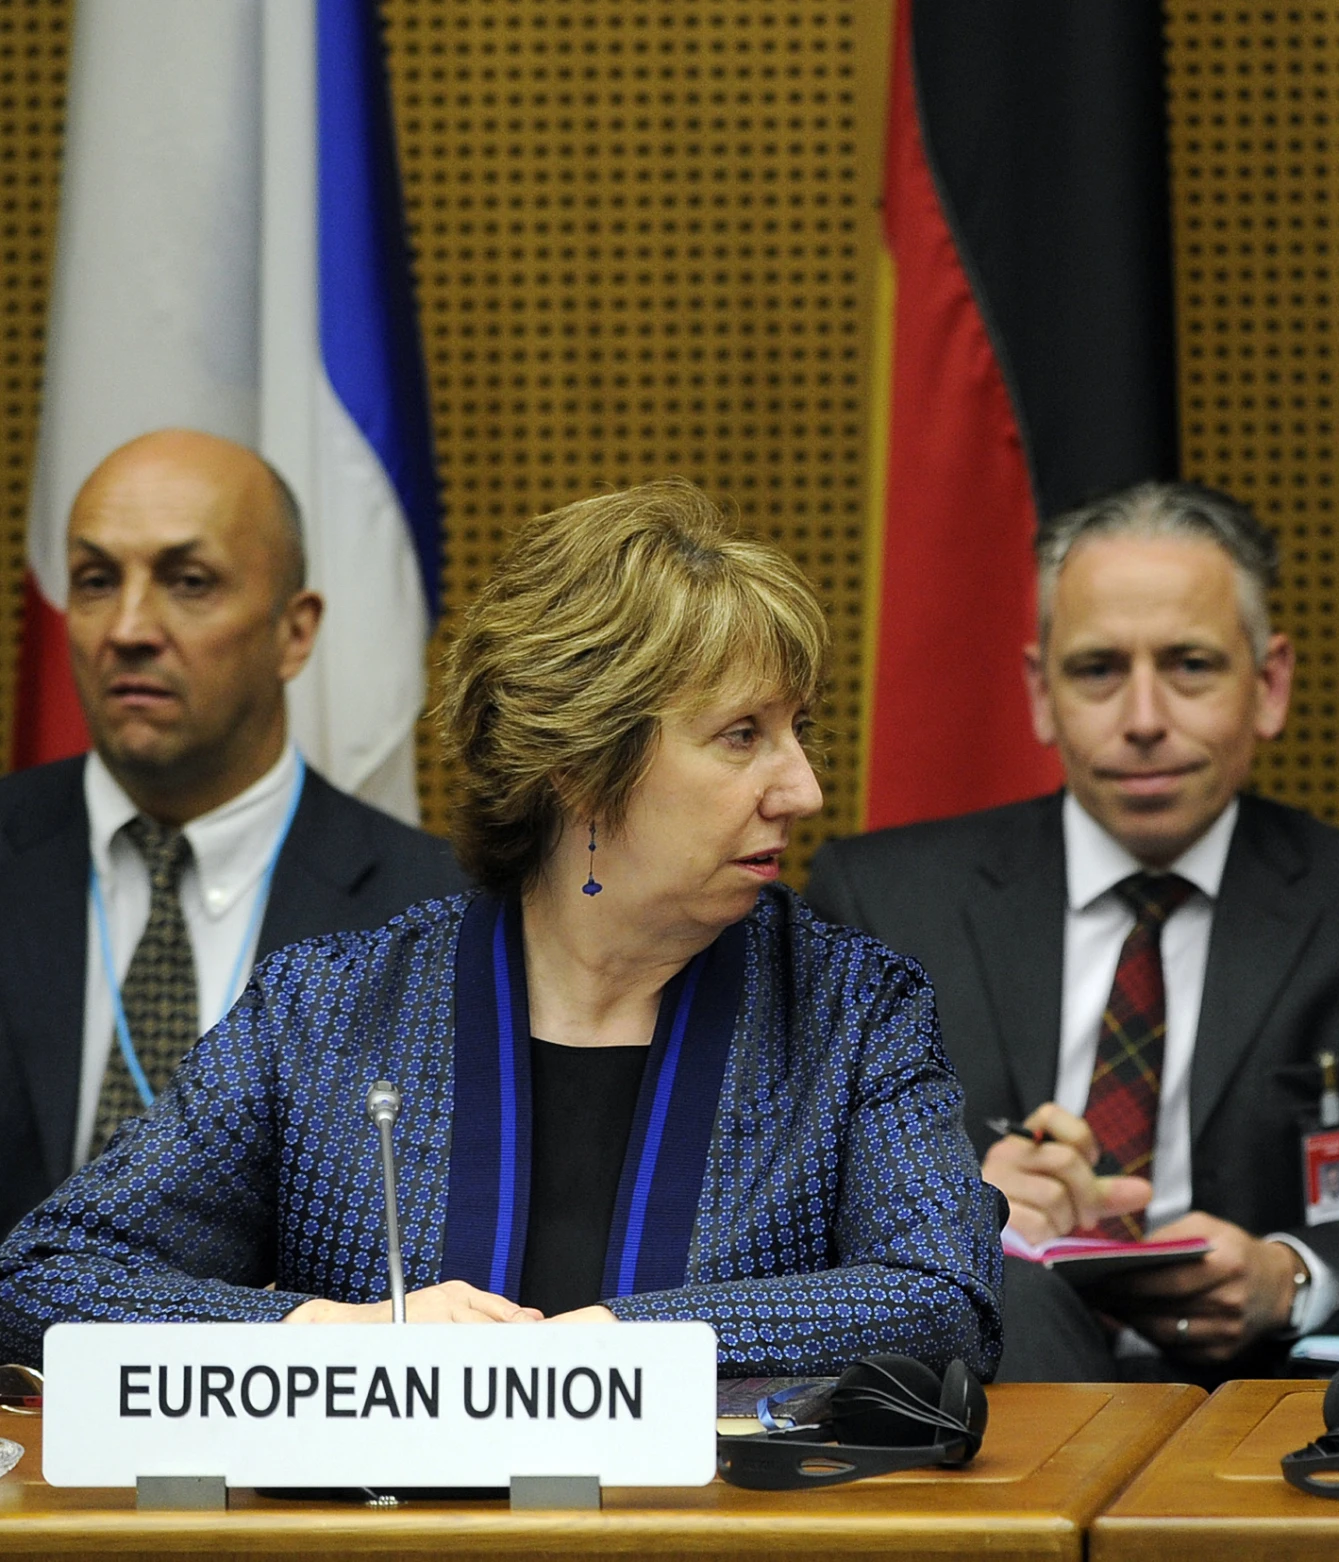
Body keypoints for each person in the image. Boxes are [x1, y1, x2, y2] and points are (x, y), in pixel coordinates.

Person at [0, 479, 1003, 1378]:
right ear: (576, 764)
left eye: (800, 730)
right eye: (743, 735)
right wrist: (333, 1333)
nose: (803, 788)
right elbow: (47, 1275)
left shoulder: (852, 1005)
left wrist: (607, 1350)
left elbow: (943, 1298)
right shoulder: (328, 1010)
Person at [806, 480, 1339, 1382]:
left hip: (1251, 1423)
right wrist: (953, 1209)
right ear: (1040, 693)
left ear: (1270, 684)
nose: (1142, 720)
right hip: (974, 1412)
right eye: (1097, 670)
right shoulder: (883, 902)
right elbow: (774, 1205)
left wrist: (1292, 1274)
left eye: (1189, 666)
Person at [0, 430, 464, 1235]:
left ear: (295, 630)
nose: (130, 627)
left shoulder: (434, 913)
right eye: (96, 581)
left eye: (188, 582)